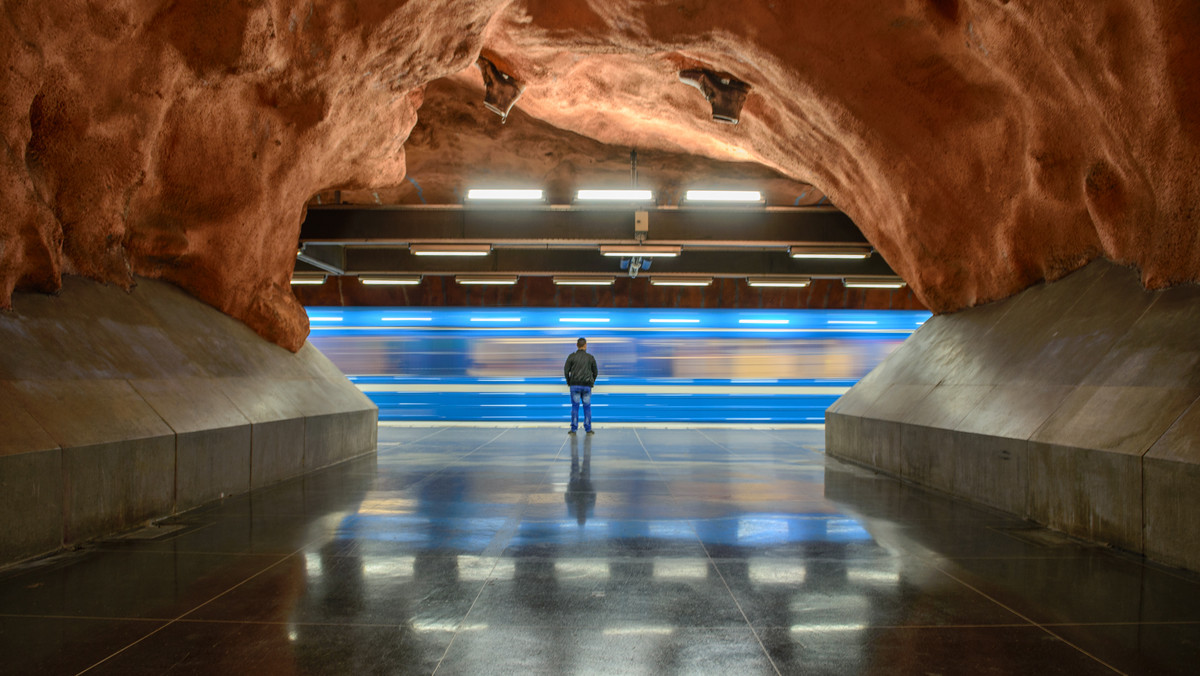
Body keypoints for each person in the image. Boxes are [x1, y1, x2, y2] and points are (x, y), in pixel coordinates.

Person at [563, 336, 598, 434]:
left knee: (575, 407)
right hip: (586, 386)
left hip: (575, 386)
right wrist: (591, 382)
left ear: (577, 345)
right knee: (587, 407)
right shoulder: (590, 357)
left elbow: (566, 371)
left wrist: (569, 382)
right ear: (585, 345)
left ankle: (574, 428)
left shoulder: (572, 356)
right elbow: (595, 372)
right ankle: (588, 428)